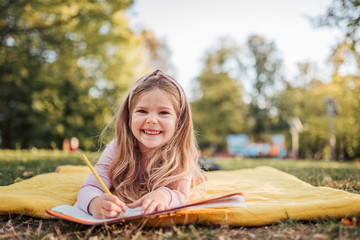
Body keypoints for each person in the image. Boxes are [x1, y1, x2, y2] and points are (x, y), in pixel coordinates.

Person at [77, 69, 205, 219]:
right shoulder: (116, 148)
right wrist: (94, 202)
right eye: (142, 111)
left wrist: (165, 195)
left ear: (179, 122)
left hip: (194, 163)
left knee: (199, 170)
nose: (151, 120)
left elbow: (181, 196)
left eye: (163, 112)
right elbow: (89, 188)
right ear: (129, 117)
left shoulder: (182, 155)